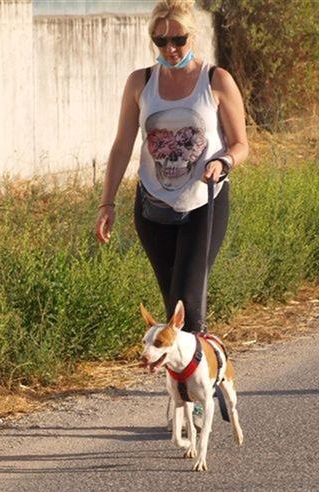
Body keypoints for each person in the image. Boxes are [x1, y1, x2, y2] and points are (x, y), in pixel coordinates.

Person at [94, 0, 248, 334]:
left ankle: (207, 384)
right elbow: (122, 146)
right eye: (161, 41)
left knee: (187, 306)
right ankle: (186, 384)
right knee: (173, 309)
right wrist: (106, 203)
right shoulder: (140, 82)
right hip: (152, 207)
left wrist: (223, 161)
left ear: (193, 36)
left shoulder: (216, 80)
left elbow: (241, 144)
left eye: (178, 40)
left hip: (203, 201)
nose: (171, 48)